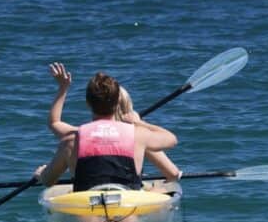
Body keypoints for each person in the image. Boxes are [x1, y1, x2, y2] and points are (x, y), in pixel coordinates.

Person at [36, 65, 178, 191]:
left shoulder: (73, 139)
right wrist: (139, 122)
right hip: (129, 211)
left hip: (86, 214)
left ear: (87, 103)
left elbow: (48, 180)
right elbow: (172, 141)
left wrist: (63, 88)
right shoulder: (138, 136)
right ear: (117, 104)